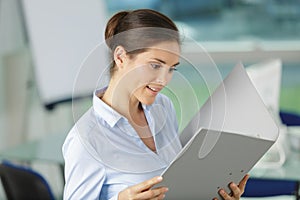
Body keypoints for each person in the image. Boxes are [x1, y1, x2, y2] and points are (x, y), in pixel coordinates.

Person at [62, 9, 249, 200]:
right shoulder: (86, 139)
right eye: (155, 65)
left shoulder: (163, 107)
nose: (163, 80)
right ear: (120, 57)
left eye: (171, 69)